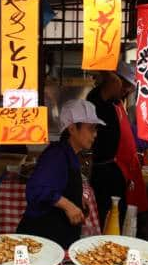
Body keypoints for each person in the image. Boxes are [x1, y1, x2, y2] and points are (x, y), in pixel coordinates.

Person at [17, 100, 105, 248]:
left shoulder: (70, 154)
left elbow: (61, 185)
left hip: (56, 240)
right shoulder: (56, 155)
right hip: (41, 242)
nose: (95, 134)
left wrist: (77, 198)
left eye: (95, 129)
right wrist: (68, 205)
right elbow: (36, 189)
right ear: (72, 129)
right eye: (91, 129)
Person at [88, 61, 148, 225]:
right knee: (107, 217)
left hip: (120, 173)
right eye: (125, 85)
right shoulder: (97, 98)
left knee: (120, 217)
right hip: (106, 173)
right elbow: (114, 82)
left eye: (130, 86)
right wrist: (103, 62)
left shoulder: (117, 102)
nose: (127, 90)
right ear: (113, 80)